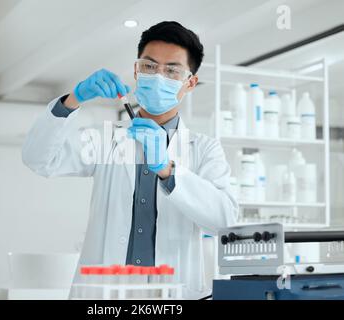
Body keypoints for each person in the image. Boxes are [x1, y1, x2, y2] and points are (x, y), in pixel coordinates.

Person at [22, 21, 238, 299]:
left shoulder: (205, 149)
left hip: (172, 295)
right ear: (136, 70)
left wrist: (168, 171)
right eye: (149, 66)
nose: (158, 76)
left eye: (172, 70)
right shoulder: (107, 139)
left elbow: (225, 222)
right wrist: (72, 100)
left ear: (190, 82)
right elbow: (39, 159)